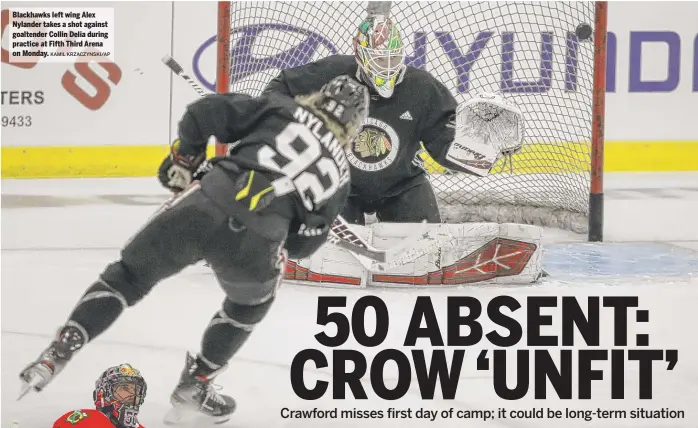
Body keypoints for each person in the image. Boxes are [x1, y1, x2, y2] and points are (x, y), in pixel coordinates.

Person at [18, 75, 370, 425]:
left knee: (128, 276)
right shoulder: (341, 177)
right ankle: (196, 384)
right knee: (251, 304)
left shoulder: (281, 108)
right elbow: (303, 246)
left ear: (317, 97)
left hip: (204, 204)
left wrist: (186, 160)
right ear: (354, 126)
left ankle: (59, 351)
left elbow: (201, 114)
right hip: (258, 240)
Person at [263, 15, 523, 225]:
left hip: (402, 186)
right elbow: (280, 88)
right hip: (339, 185)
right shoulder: (332, 73)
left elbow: (443, 145)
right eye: (379, 59)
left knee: (427, 247)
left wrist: (483, 153)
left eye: (394, 57)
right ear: (361, 56)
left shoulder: (422, 88)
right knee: (319, 243)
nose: (388, 66)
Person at [52, 363, 146, 428]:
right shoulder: (84, 419)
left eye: (137, 390)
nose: (133, 394)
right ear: (104, 392)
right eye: (125, 388)